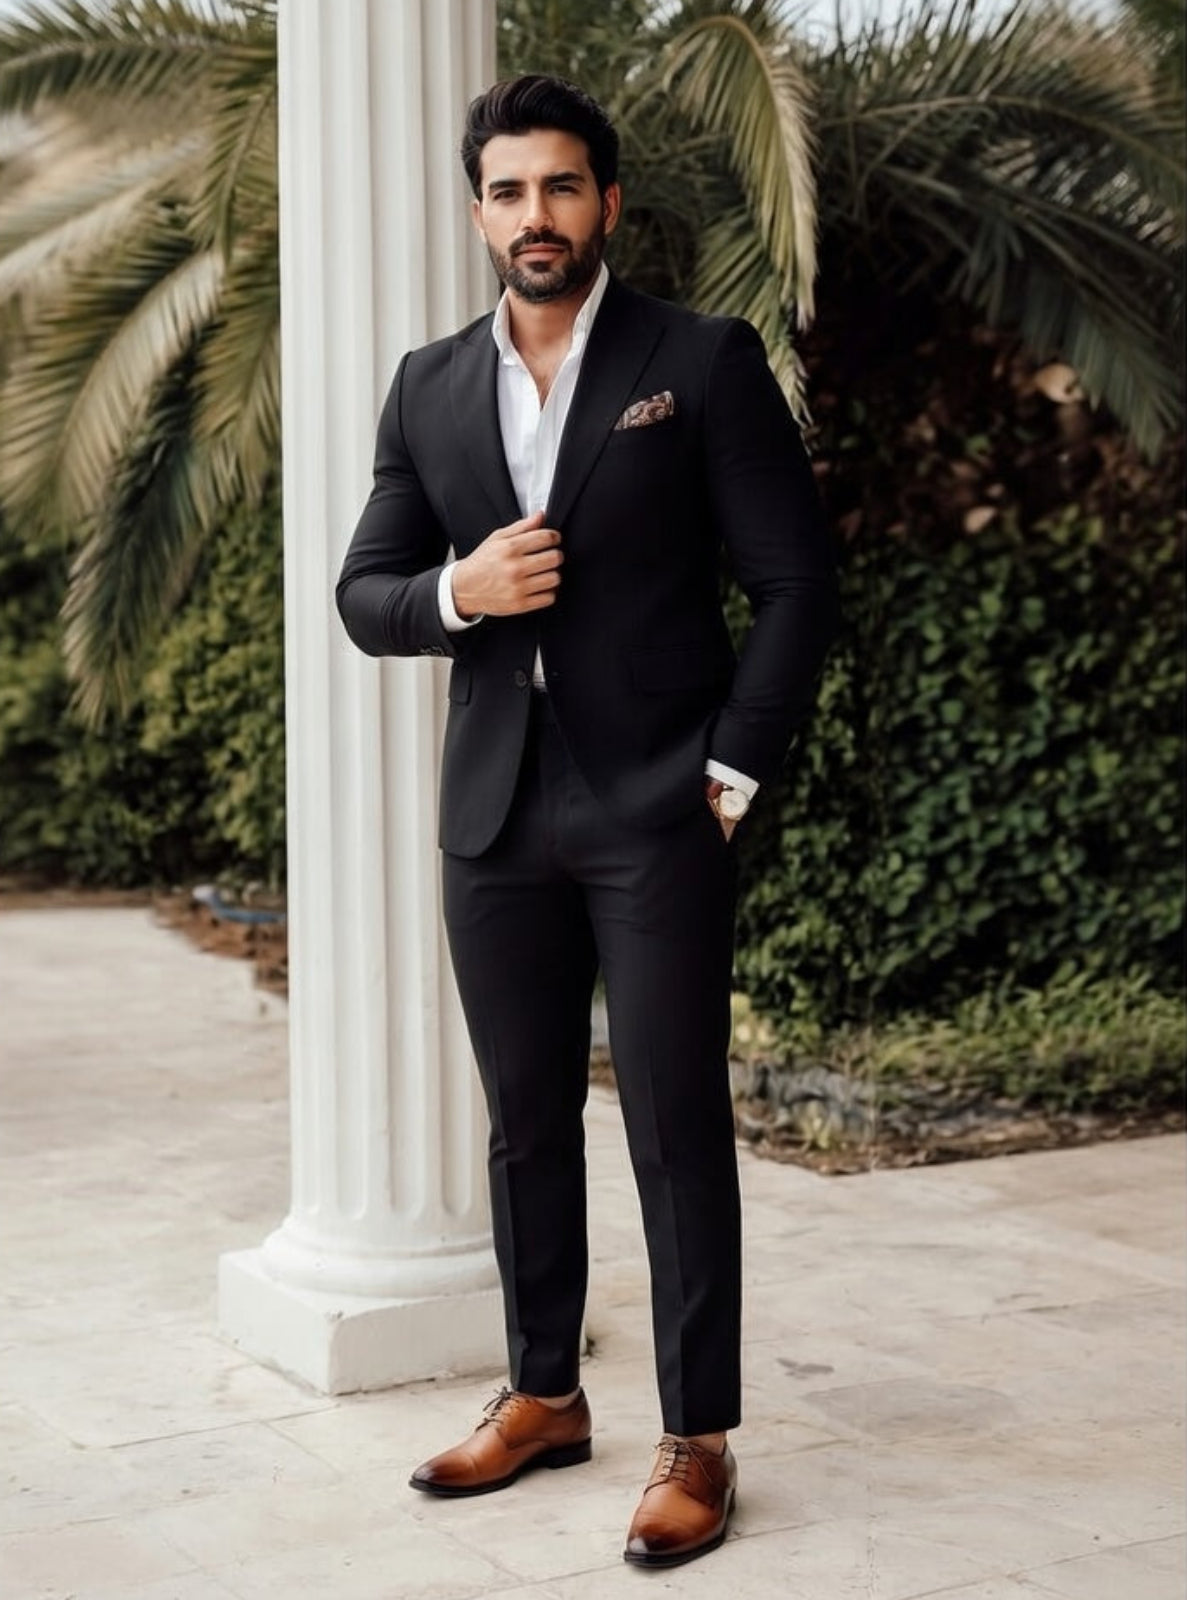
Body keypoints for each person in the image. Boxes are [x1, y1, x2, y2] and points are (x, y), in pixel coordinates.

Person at [336, 73, 837, 1569]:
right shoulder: (428, 383)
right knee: (522, 1122)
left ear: (606, 204)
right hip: (494, 808)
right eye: (508, 191)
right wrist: (455, 592)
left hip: (655, 801)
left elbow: (796, 582)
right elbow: (367, 591)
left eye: (561, 188)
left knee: (679, 1127)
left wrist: (731, 769)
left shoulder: (701, 357)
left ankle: (698, 1440)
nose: (534, 217)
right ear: (477, 208)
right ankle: (545, 1393)